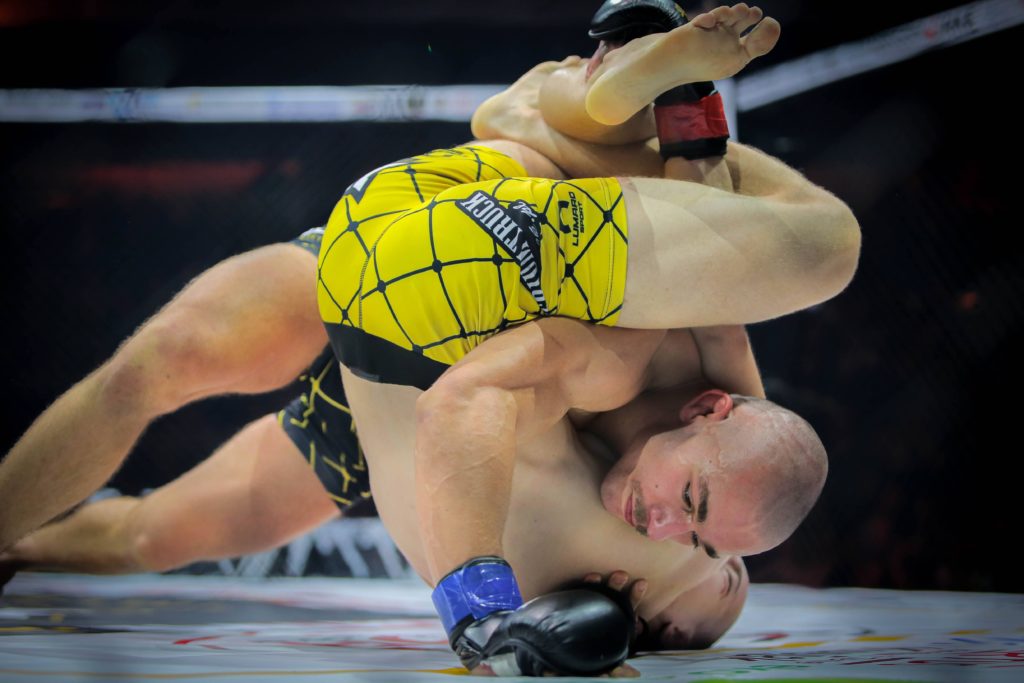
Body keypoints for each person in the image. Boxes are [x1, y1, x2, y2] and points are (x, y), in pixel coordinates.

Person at [0, 3, 855, 675]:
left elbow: (700, 562)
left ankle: (17, 547)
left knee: (153, 533)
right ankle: (623, 92)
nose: (667, 527)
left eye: (701, 543)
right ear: (710, 413)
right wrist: (690, 116)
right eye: (696, 519)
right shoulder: (675, 358)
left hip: (399, 370)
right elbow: (707, 224)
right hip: (466, 262)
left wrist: (647, 605)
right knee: (801, 242)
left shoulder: (678, 523)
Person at [316, 3, 855, 673]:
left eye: (700, 541)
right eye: (691, 506)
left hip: (420, 240)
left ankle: (554, 106)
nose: (664, 529)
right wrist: (479, 617)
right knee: (825, 248)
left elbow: (718, 290)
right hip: (400, 270)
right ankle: (610, 100)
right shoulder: (620, 366)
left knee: (785, 245)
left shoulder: (656, 392)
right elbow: (462, 402)